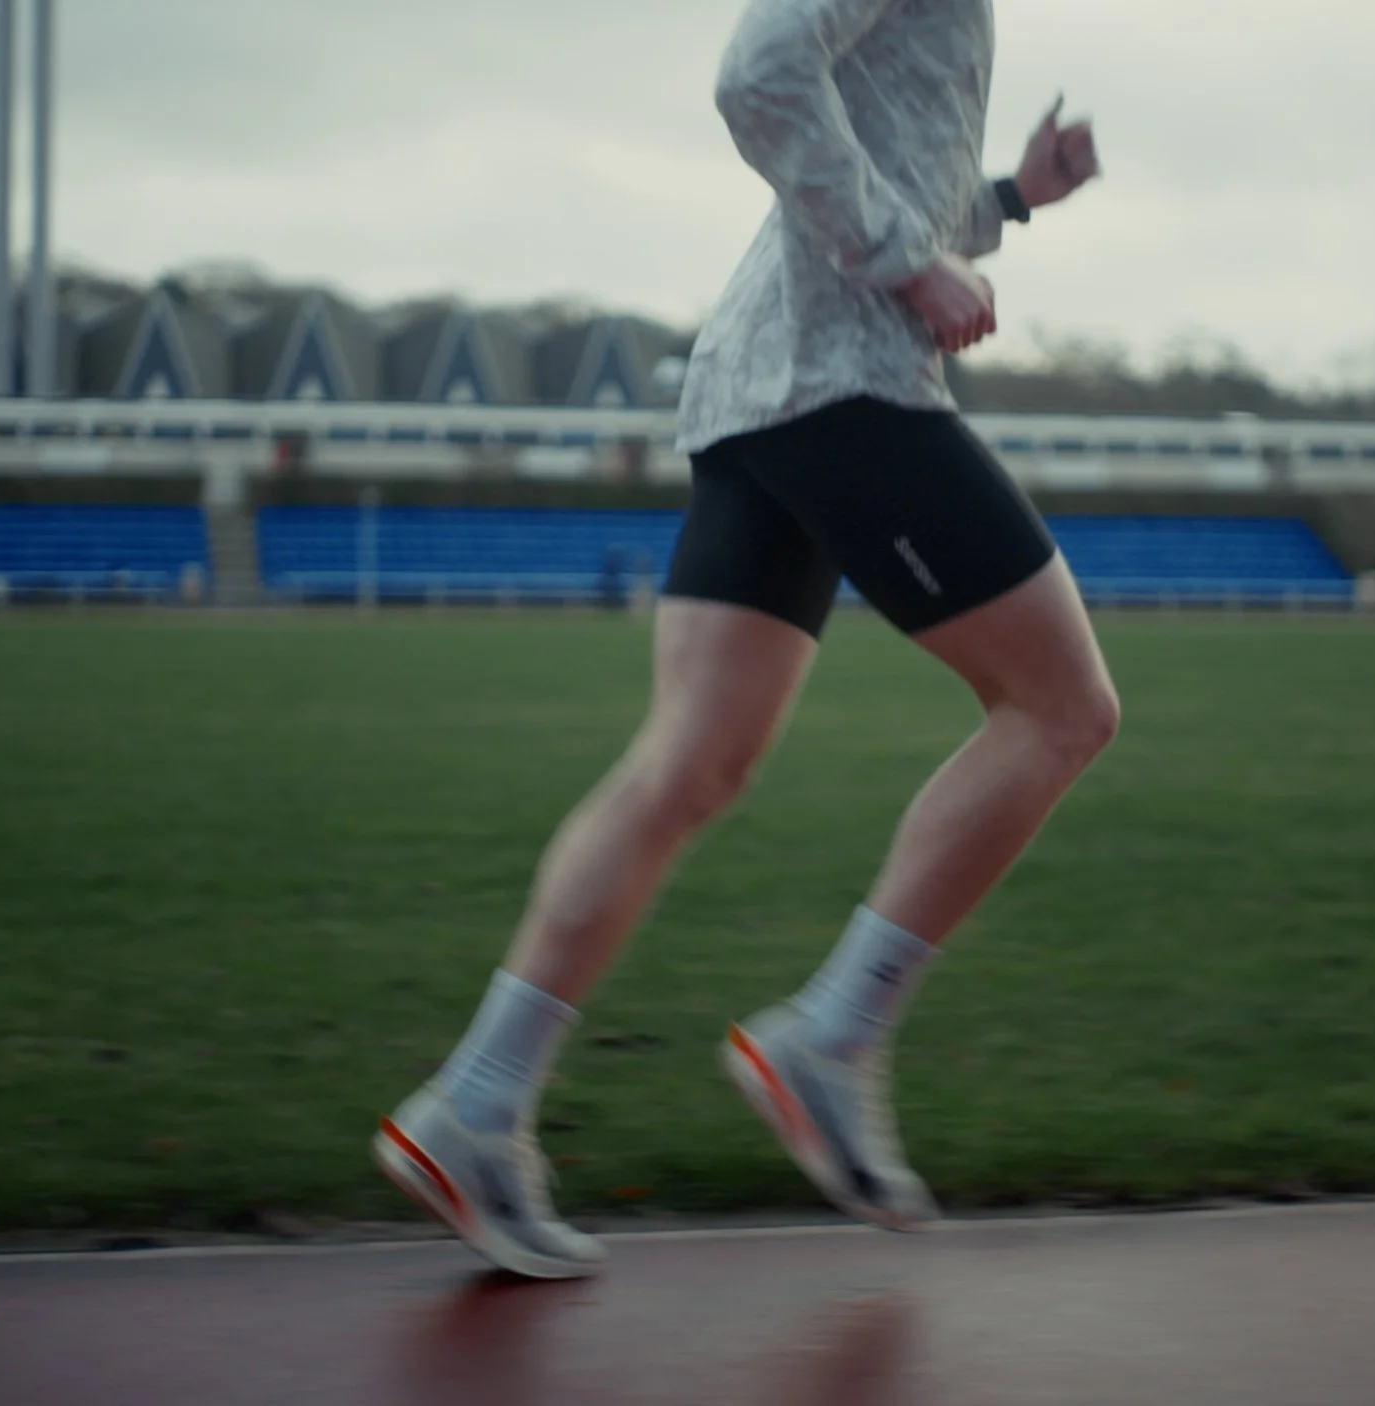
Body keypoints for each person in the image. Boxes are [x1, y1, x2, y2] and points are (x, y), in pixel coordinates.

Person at [377, 0, 1112, 1279]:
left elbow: (889, 162)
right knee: (1060, 709)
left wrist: (1010, 198)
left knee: (689, 766)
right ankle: (833, 1033)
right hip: (842, 382)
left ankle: (478, 1103)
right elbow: (759, 72)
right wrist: (903, 260)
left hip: (766, 387)